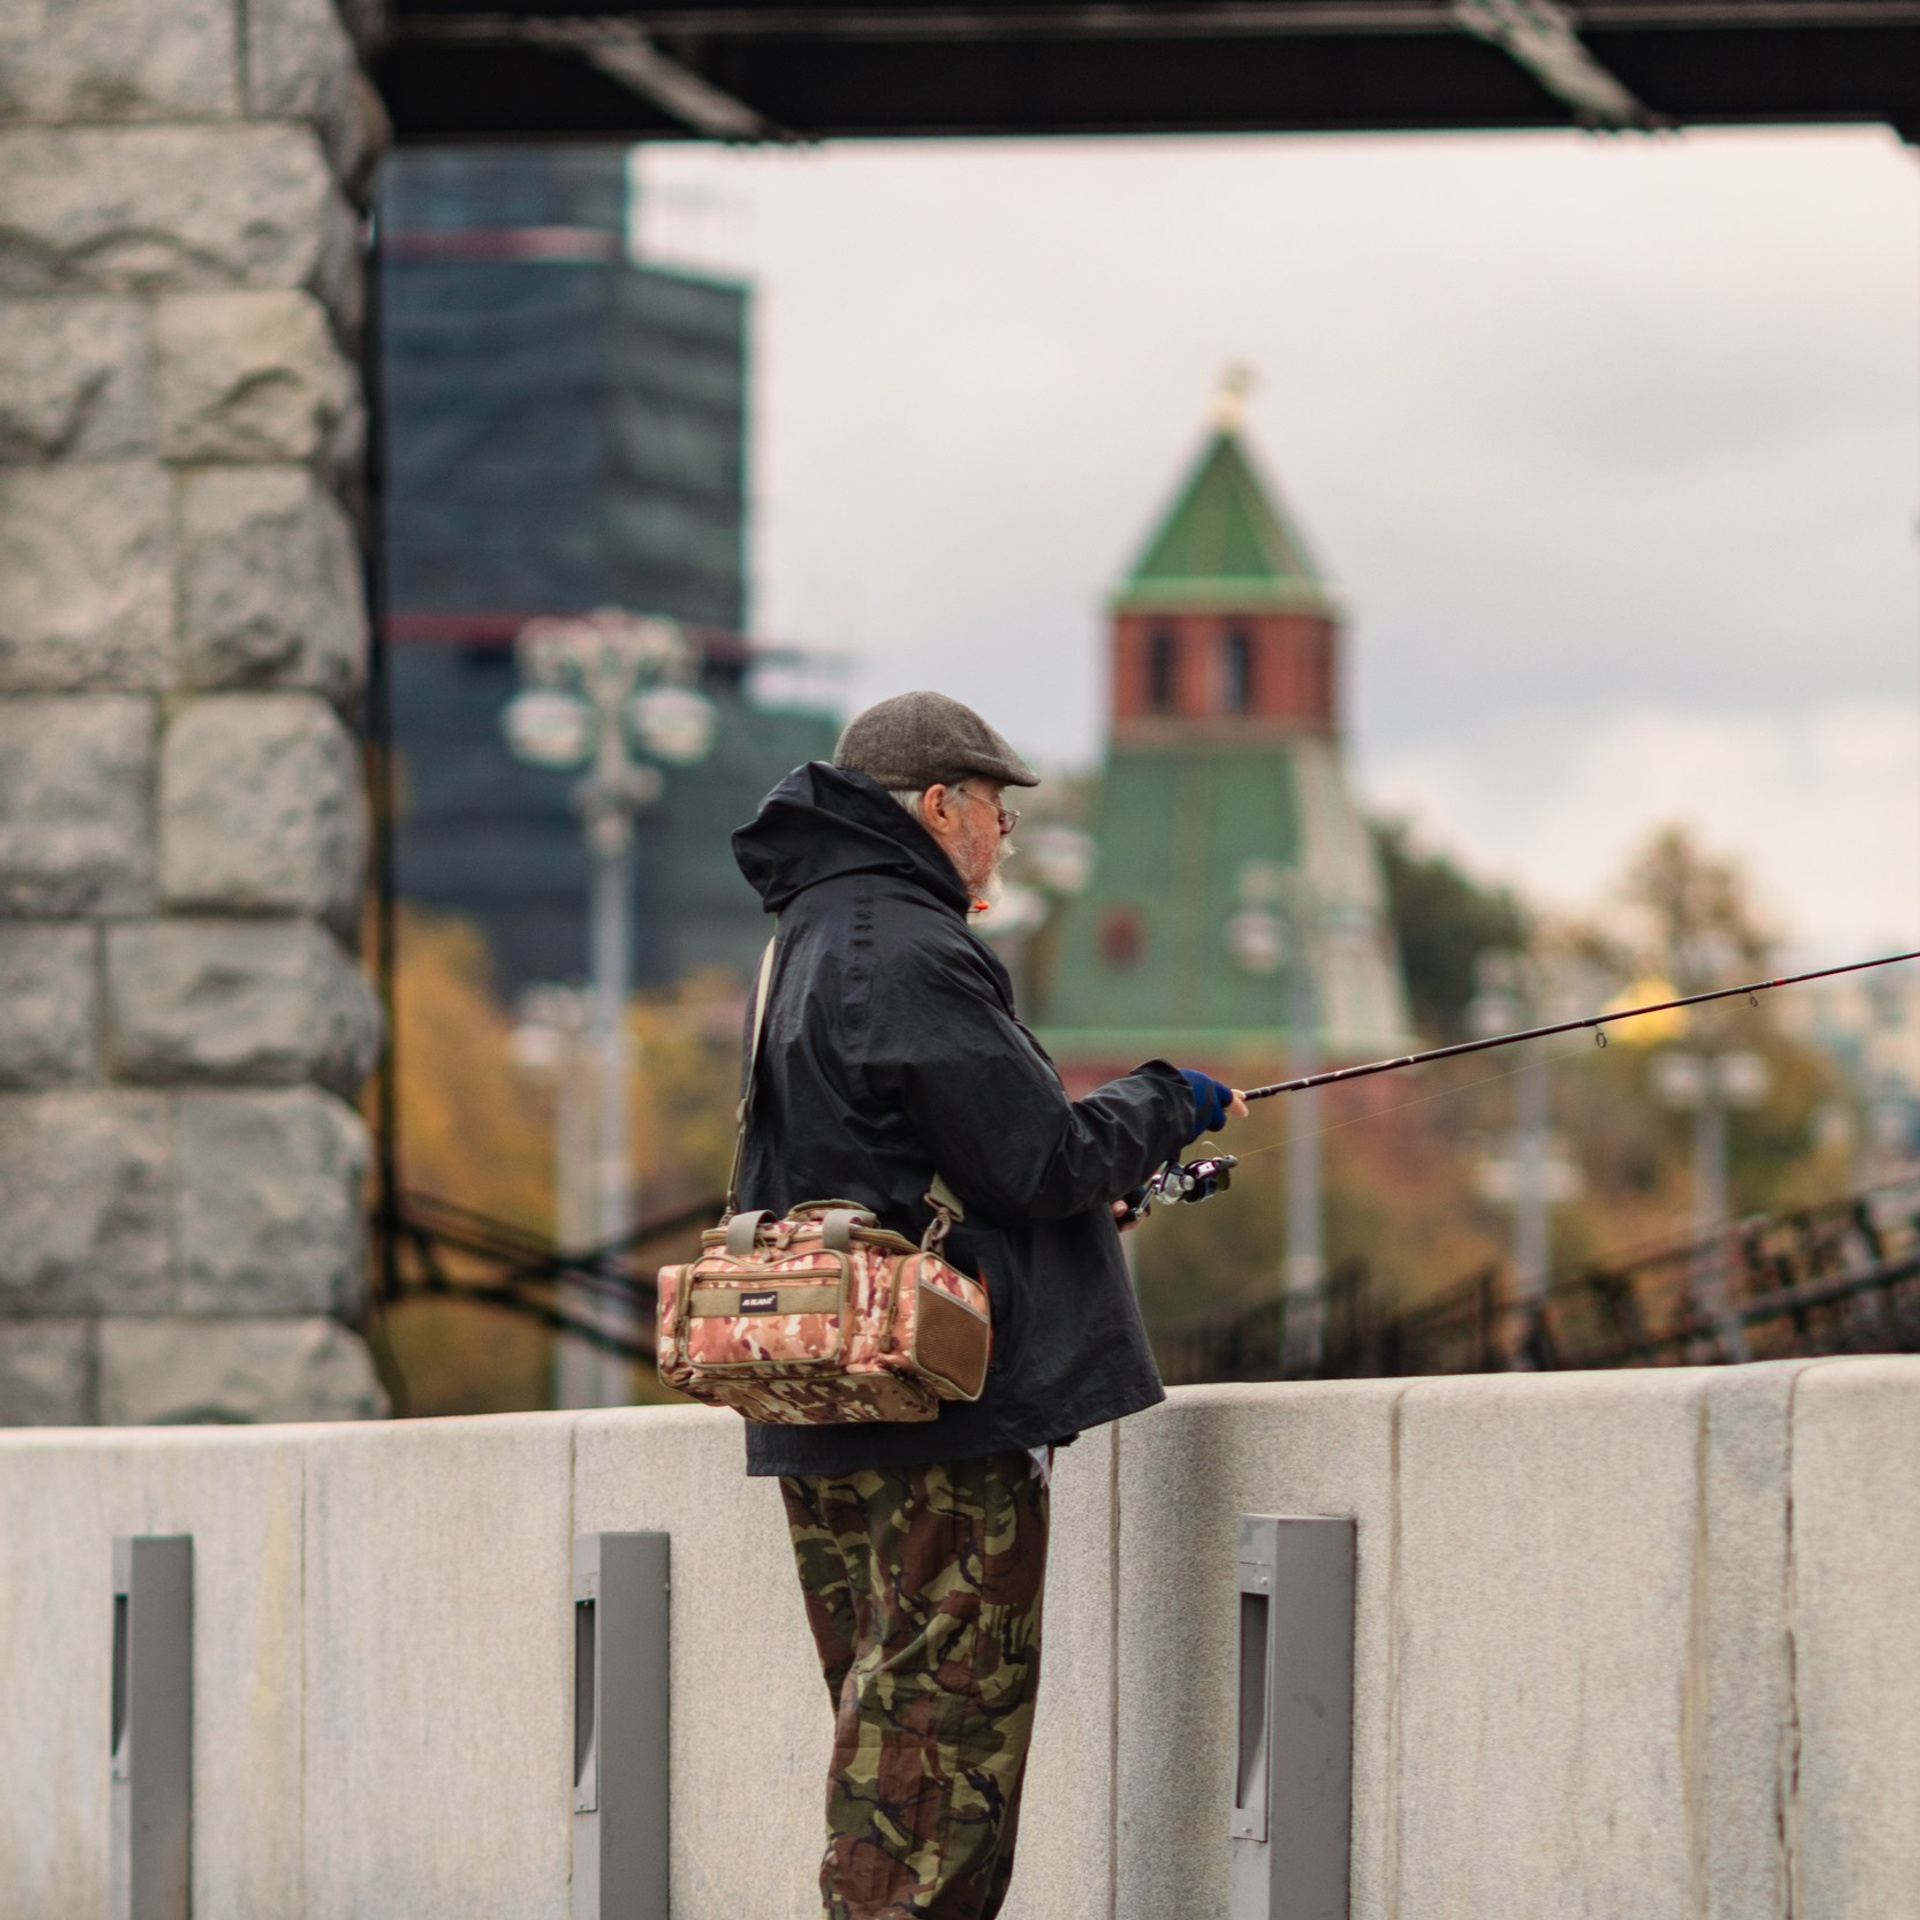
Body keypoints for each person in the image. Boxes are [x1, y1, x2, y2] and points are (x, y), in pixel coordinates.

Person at [729, 690, 1247, 1920]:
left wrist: (1074, 1215)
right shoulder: (908, 945)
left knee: (884, 1720)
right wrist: (1168, 1100)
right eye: (998, 809)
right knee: (932, 1757)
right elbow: (1037, 1162)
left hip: (826, 1396)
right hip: (938, 1417)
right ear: (940, 805)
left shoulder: (805, 933)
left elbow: (889, 1171)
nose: (1006, 837)